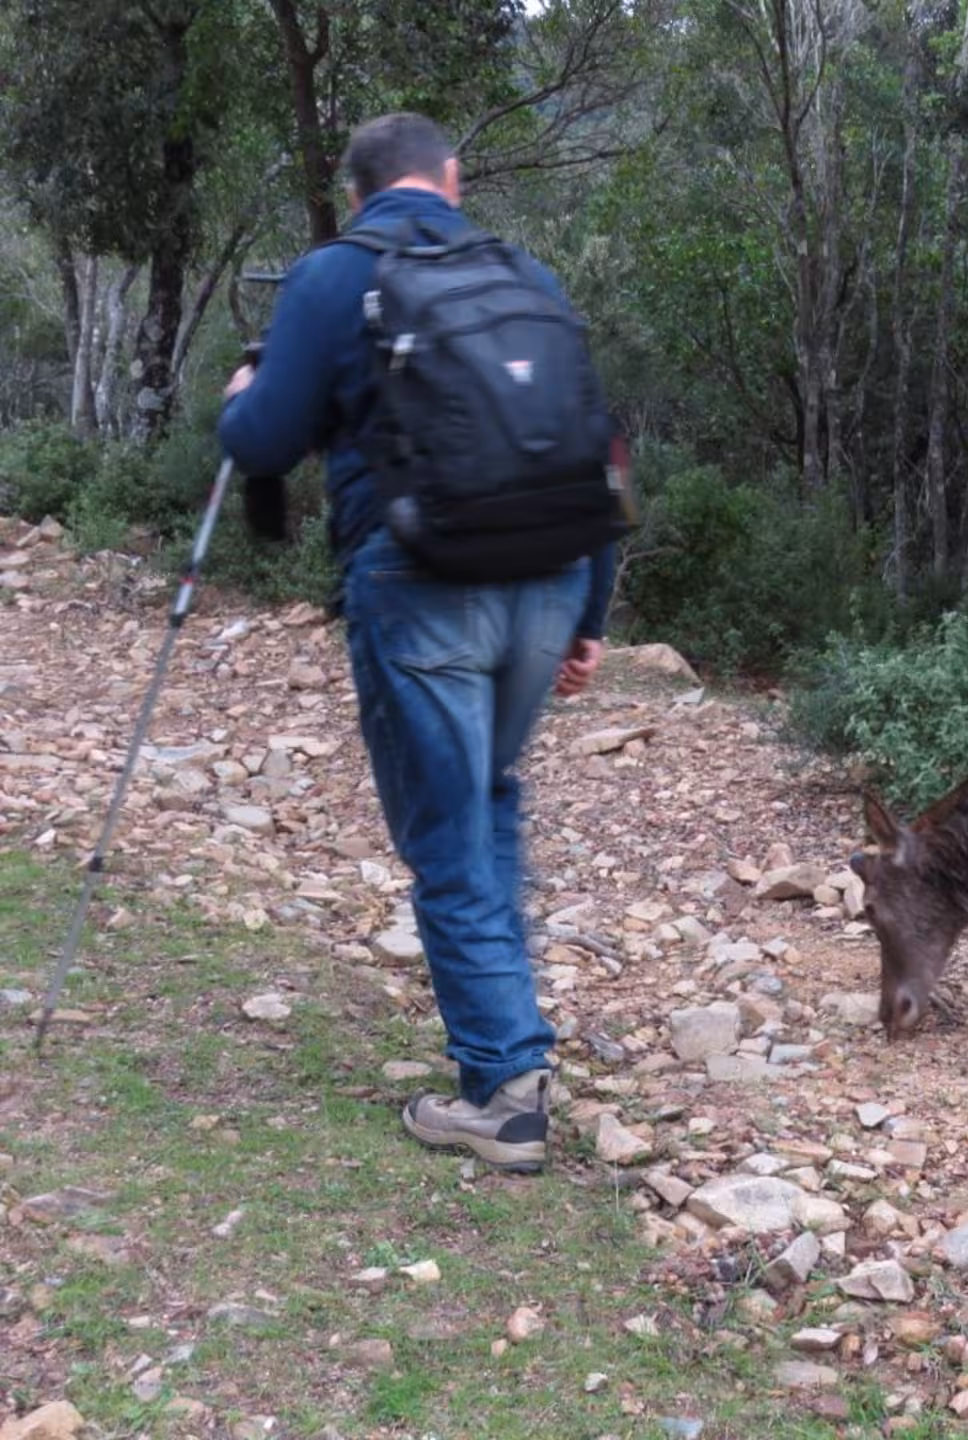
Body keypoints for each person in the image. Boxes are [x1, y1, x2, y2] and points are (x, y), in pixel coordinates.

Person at [218, 112, 616, 1173]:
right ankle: (511, 1045)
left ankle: (507, 1090)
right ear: (452, 177)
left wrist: (241, 398)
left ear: (357, 194)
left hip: (422, 581)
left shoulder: (332, 276)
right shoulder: (525, 271)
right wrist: (590, 618)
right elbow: (596, 442)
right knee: (483, 795)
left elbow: (263, 441)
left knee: (446, 829)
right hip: (552, 575)